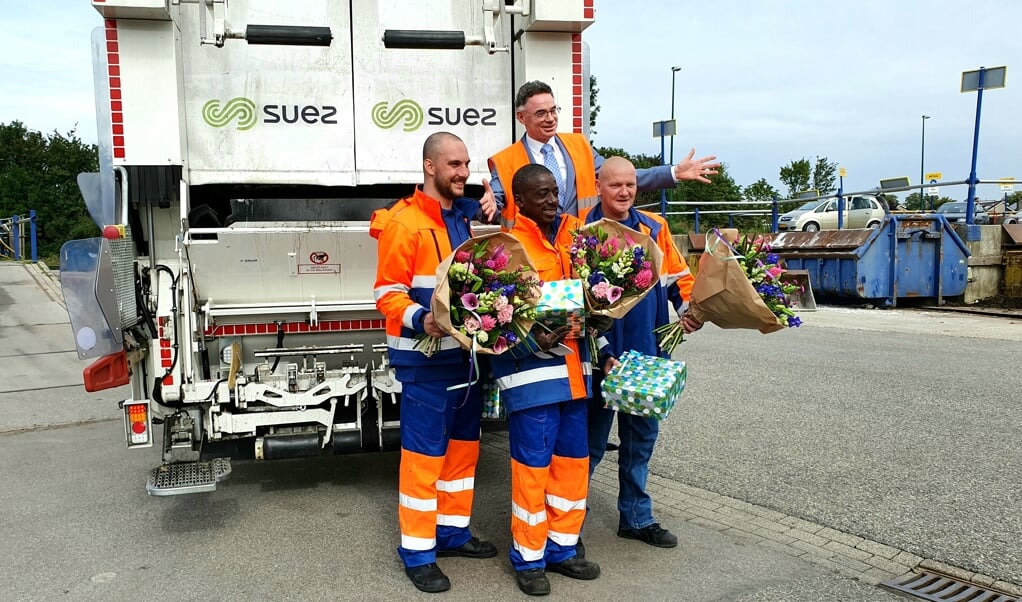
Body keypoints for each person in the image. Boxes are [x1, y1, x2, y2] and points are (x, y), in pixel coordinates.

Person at [371, 131, 497, 594]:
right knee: (424, 460)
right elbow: (387, 294)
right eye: (455, 165)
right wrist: (421, 319)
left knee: (462, 456)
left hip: (464, 362)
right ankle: (418, 551)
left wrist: (493, 201)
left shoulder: (462, 217)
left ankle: (452, 534)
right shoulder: (404, 223)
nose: (464, 172)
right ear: (430, 167)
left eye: (466, 164)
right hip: (425, 364)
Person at [488, 163, 601, 596]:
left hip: (575, 374)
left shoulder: (576, 235)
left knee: (572, 469)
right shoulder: (505, 245)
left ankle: (564, 549)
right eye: (541, 194)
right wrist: (528, 340)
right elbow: (491, 323)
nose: (552, 200)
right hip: (531, 377)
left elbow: (589, 296)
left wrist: (598, 320)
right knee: (532, 473)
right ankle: (529, 557)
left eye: (555, 192)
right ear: (520, 200)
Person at [581, 156, 703, 552]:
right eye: (616, 185)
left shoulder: (655, 228)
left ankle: (635, 518)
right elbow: (575, 303)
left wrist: (688, 311)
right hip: (600, 356)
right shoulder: (581, 229)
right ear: (599, 185)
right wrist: (601, 351)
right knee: (589, 444)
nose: (625, 192)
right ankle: (567, 527)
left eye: (631, 185)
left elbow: (679, 279)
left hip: (648, 353)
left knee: (640, 441)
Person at [481, 80, 720, 227]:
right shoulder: (505, 161)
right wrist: (489, 205)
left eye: (554, 110)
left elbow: (618, 178)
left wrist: (672, 173)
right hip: (533, 255)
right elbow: (497, 198)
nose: (551, 118)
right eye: (541, 113)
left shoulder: (580, 146)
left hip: (584, 244)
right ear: (521, 117)